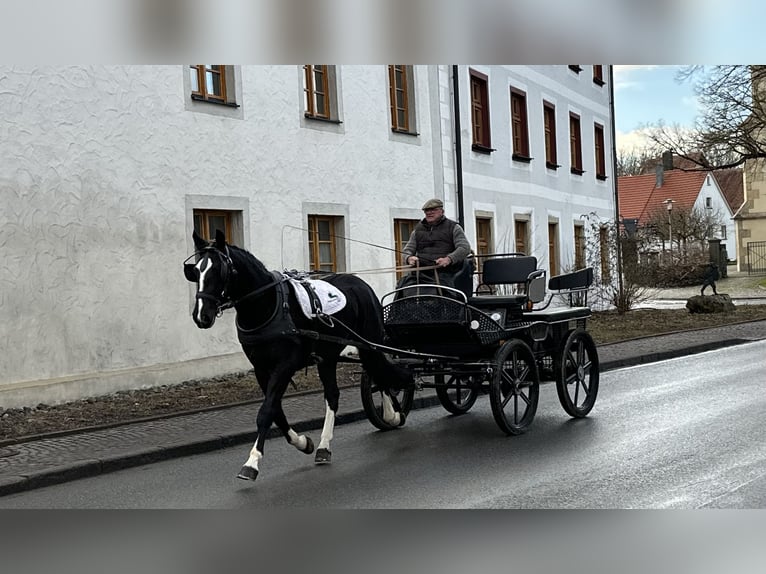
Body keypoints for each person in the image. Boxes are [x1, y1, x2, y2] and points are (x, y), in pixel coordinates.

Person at [399, 198, 472, 290]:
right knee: (402, 288)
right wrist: (408, 258)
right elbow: (407, 250)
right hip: (421, 273)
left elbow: (464, 248)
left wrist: (448, 259)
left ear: (442, 211)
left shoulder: (454, 227)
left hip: (446, 272)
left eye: (433, 210)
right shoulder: (417, 230)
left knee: (441, 292)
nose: (429, 213)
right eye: (426, 211)